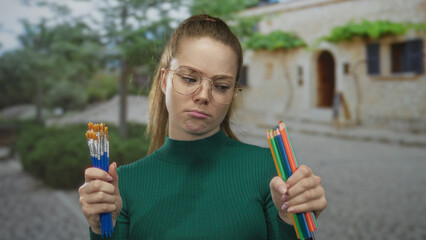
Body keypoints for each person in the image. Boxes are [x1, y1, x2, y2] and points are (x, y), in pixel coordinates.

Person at [78, 14, 327, 239]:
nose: (203, 95)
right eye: (189, 78)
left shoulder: (270, 172)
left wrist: (292, 221)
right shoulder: (124, 186)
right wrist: (101, 229)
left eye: (221, 86)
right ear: (165, 80)